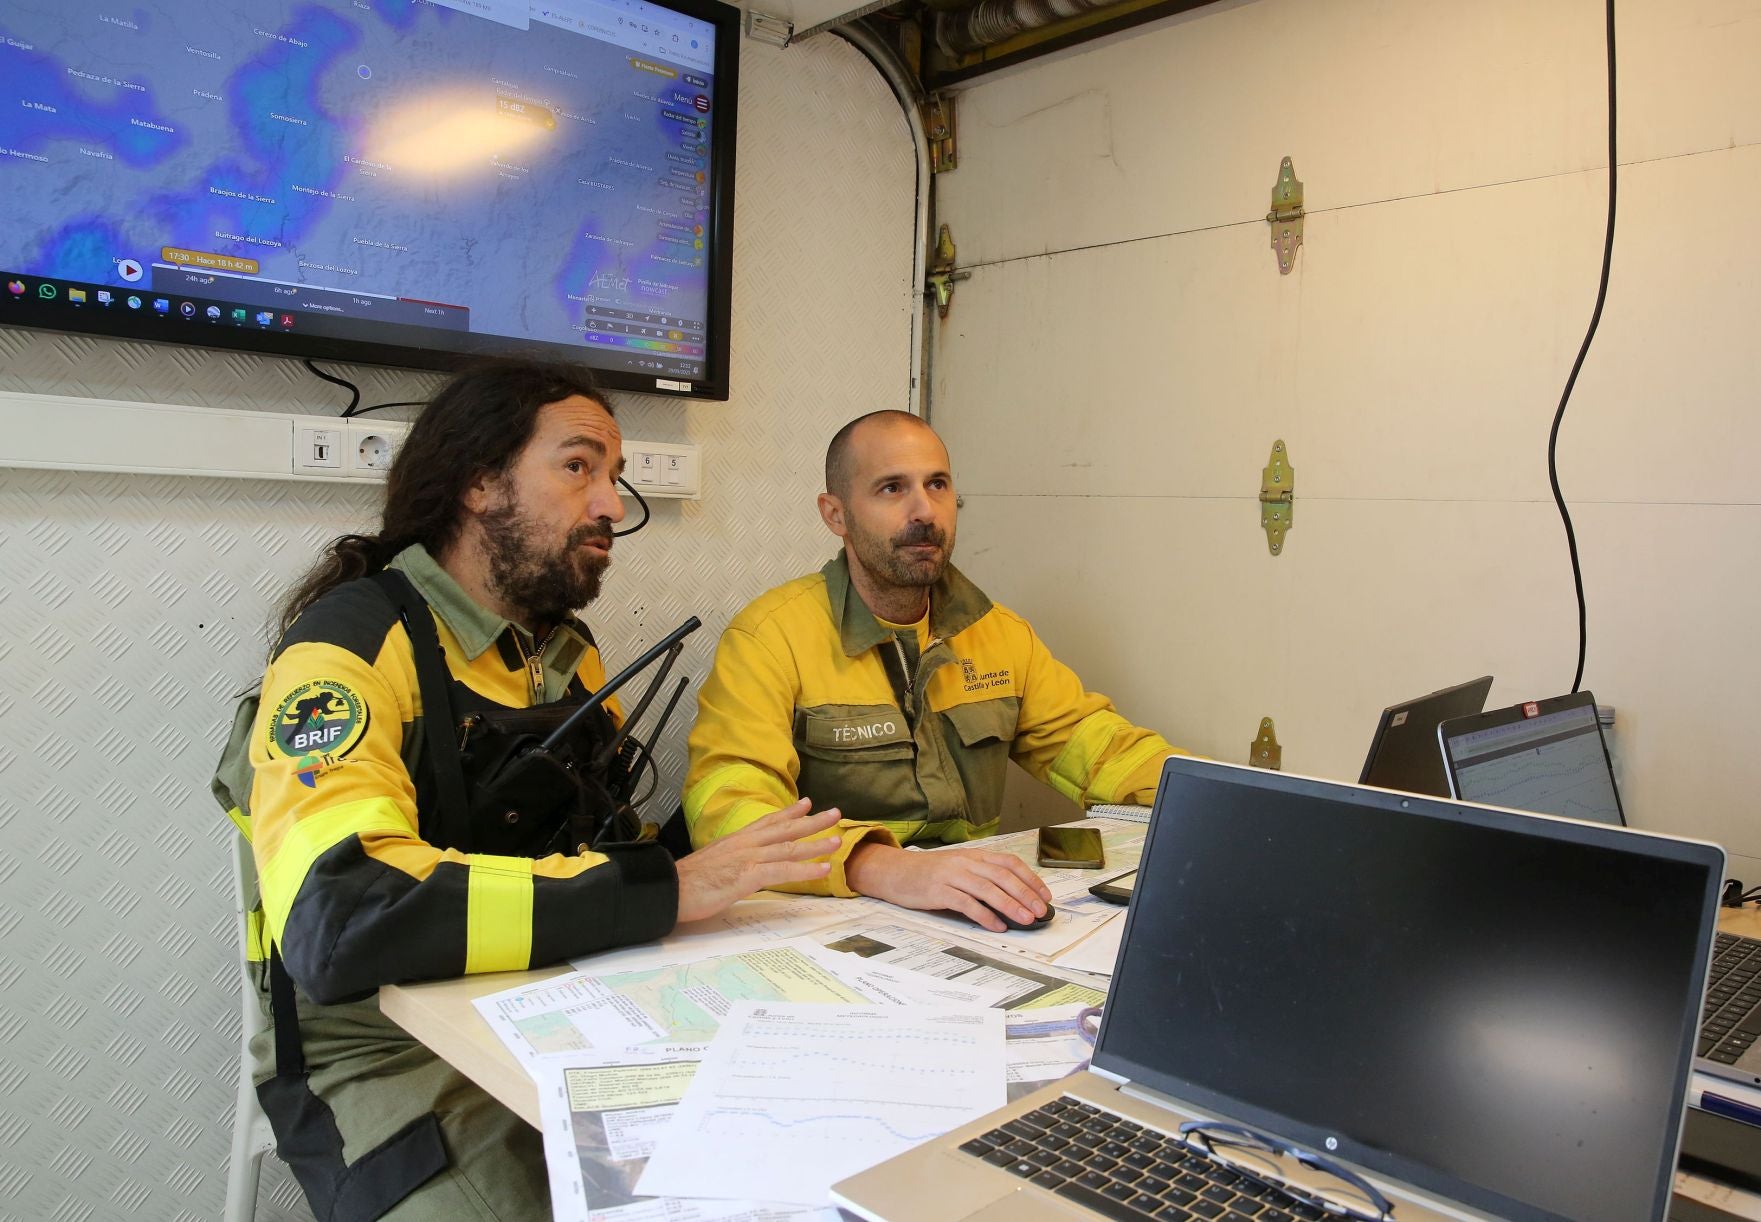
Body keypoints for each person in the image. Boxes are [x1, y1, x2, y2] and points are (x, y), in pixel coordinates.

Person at [210, 360, 841, 1221]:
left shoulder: (568, 659)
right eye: (579, 467)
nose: (613, 506)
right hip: (383, 1050)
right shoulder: (345, 654)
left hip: (560, 1000)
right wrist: (660, 891)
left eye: (615, 478)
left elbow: (614, 850)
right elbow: (343, 920)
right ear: (477, 481)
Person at [681, 409, 1178, 932]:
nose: (924, 511)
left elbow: (1099, 749)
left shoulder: (999, 634)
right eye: (892, 488)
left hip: (971, 918)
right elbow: (727, 808)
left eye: (937, 484)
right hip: (831, 923)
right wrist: (879, 864)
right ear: (835, 514)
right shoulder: (770, 636)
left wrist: (1222, 797)